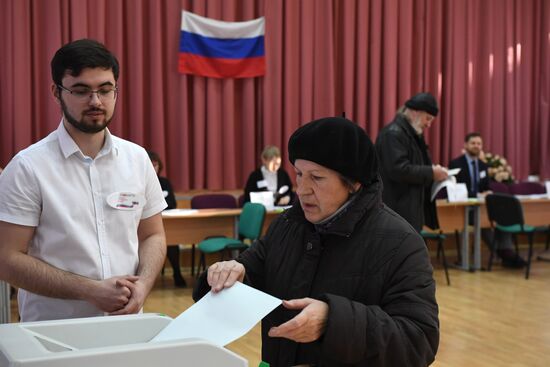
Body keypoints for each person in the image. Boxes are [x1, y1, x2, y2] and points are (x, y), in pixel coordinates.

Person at [194, 117, 439, 366]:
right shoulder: (287, 225)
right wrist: (229, 276)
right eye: (299, 174)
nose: (302, 189)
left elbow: (419, 340)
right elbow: (251, 271)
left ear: (354, 183)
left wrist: (333, 321)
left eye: (317, 178)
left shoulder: (400, 243)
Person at [0, 39, 167, 322]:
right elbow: (6, 259)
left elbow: (152, 235)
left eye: (105, 90)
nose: (95, 101)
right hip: (55, 332)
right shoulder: (28, 167)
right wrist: (89, 290)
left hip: (127, 326)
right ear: (57, 92)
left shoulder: (137, 159)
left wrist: (144, 284)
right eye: (81, 90)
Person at [449, 132, 526, 268]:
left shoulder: (483, 165)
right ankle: (505, 253)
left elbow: (485, 186)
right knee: (482, 223)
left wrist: (488, 191)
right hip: (463, 208)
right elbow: (455, 188)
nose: (476, 146)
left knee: (503, 216)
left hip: (482, 207)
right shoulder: (456, 163)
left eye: (479, 144)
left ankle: (504, 251)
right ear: (465, 145)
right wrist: (477, 195)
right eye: (473, 143)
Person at [375, 92, 448, 232]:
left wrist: (432, 171)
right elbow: (398, 169)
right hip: (396, 210)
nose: (429, 124)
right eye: (428, 118)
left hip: (407, 210)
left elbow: (414, 165)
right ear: (415, 112)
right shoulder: (393, 134)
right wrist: (431, 172)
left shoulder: (411, 134)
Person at [148, 151, 187, 287]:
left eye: (156, 165)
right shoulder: (140, 181)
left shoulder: (164, 182)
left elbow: (172, 203)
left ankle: (177, 272)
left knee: (171, 239)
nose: (153, 168)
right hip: (146, 223)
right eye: (150, 164)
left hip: (166, 221)